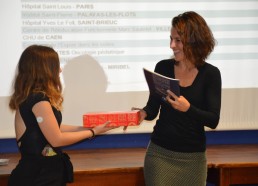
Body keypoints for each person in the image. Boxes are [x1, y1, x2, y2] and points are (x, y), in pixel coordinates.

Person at [131, 11, 222, 186]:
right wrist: (142, 113)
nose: (172, 45)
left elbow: (213, 120)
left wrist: (188, 108)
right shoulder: (163, 67)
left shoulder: (210, 74)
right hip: (160, 155)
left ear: (194, 40)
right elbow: (152, 107)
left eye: (178, 40)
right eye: (171, 39)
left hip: (193, 159)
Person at [8, 45, 117, 186]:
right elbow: (57, 139)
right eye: (56, 66)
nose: (60, 70)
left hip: (42, 174)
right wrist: (92, 132)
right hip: (39, 178)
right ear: (44, 70)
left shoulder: (32, 97)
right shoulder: (39, 100)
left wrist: (83, 128)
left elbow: (52, 127)